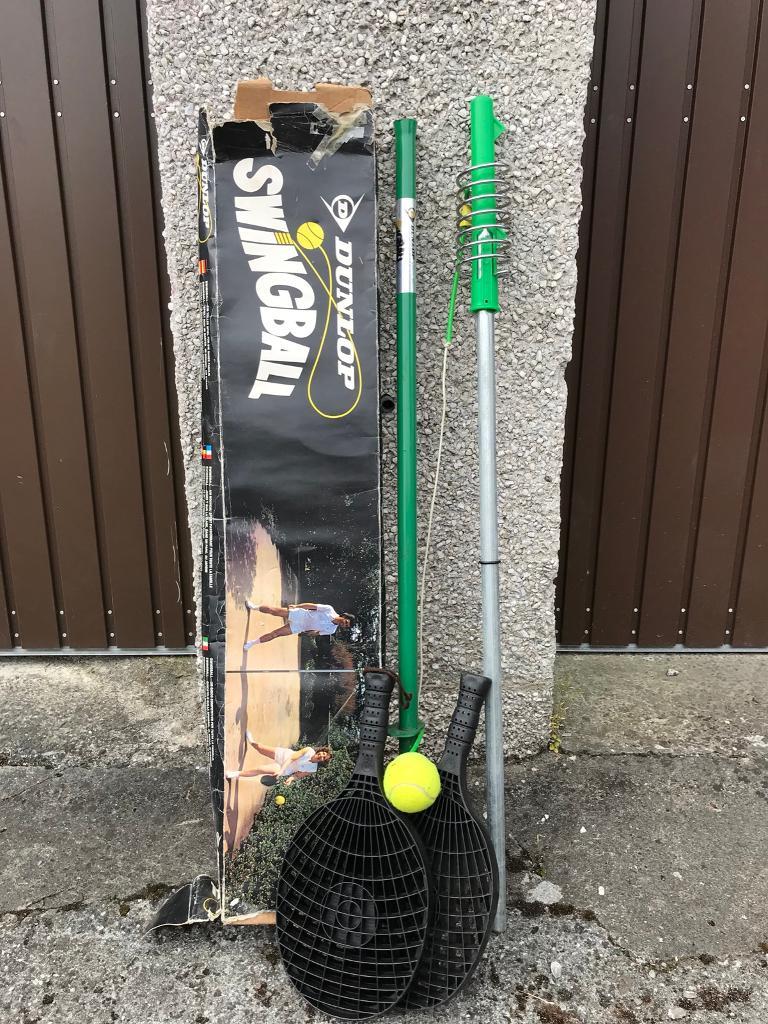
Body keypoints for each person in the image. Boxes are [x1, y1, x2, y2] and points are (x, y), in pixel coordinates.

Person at [243, 600, 355, 650]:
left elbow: (317, 633)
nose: (344, 624)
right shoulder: (329, 609)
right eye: (346, 622)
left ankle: (252, 643)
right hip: (299, 615)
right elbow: (311, 606)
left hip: (299, 627)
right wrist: (297, 606)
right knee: (274, 611)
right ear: (344, 617)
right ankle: (254, 607)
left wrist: (308, 634)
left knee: (275, 634)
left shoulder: (332, 630)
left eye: (346, 626)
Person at [225, 733, 332, 782]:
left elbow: (298, 775)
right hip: (284, 755)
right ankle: (252, 742)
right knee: (260, 748)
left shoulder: (312, 769)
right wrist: (281, 770)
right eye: (323, 754)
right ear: (321, 751)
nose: (321, 757)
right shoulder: (308, 750)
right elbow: (291, 758)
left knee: (260, 769)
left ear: (323, 761)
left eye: (324, 758)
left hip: (285, 769)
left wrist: (290, 779)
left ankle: (236, 774)